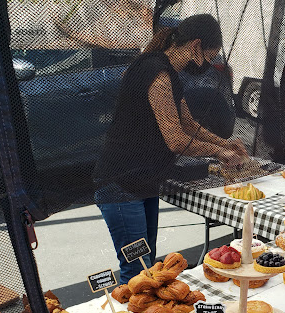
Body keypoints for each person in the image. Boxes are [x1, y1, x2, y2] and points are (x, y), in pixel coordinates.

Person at [95, 14, 248, 283]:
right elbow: (176, 139)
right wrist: (218, 152)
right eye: (209, 57)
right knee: (137, 271)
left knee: (147, 266)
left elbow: (188, 124)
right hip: (120, 183)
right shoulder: (157, 72)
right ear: (195, 46)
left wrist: (226, 142)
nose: (209, 65)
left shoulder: (169, 73)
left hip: (143, 180)